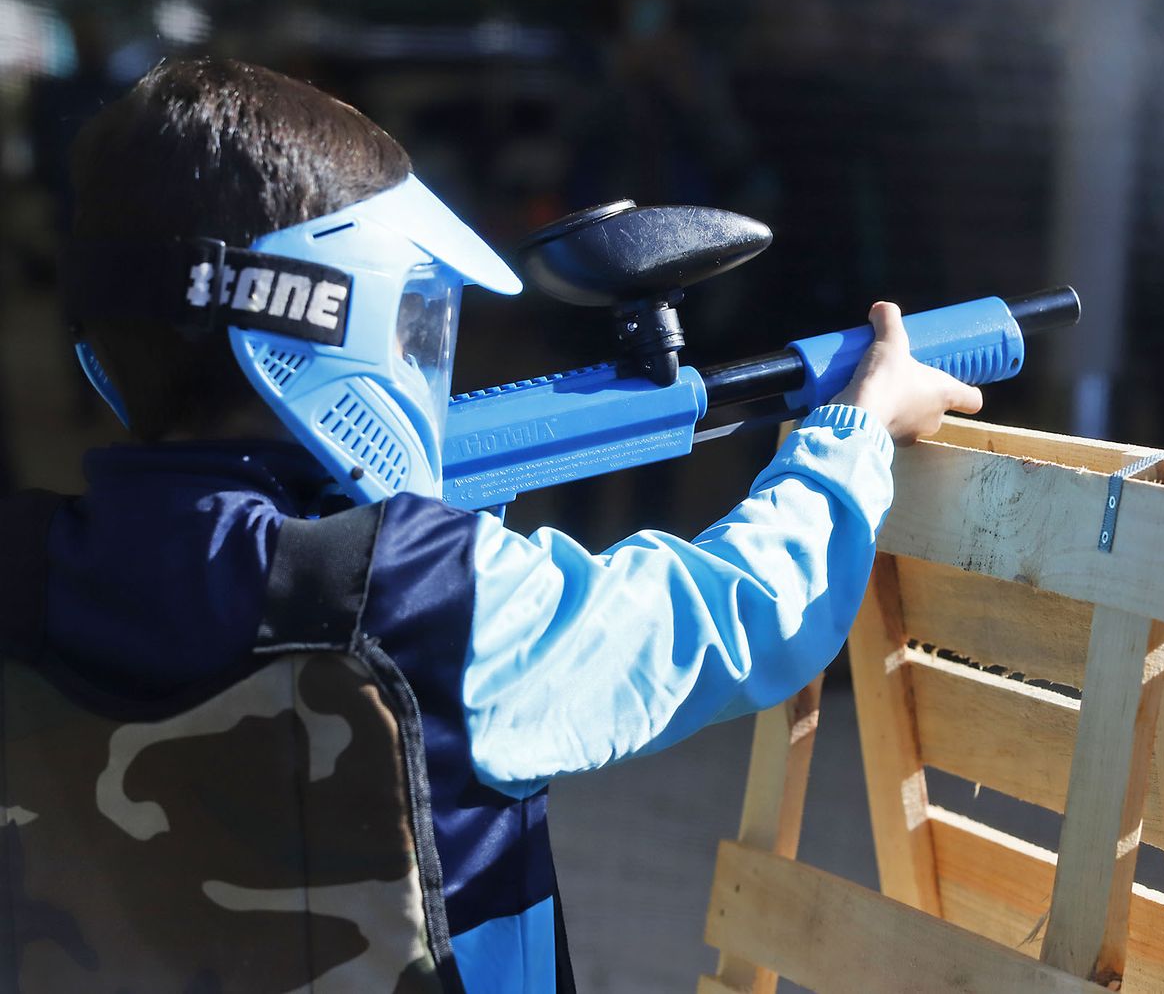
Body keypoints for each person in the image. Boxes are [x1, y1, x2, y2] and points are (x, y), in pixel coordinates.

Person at [0, 59, 980, 993]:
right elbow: (740, 612)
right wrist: (855, 433)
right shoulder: (426, 596)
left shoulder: (26, 570)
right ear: (330, 319)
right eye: (410, 319)